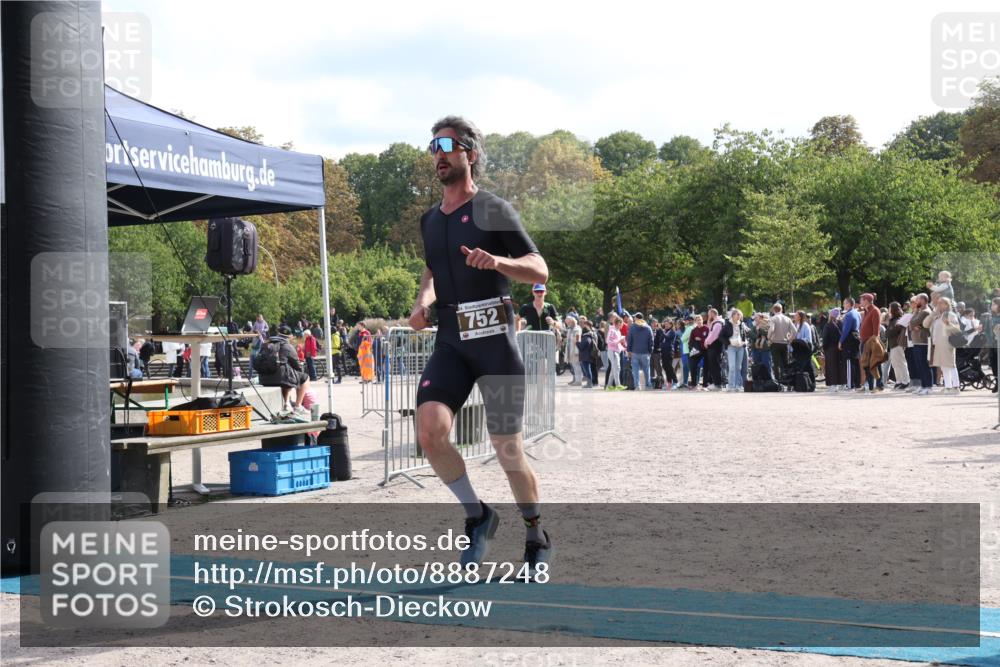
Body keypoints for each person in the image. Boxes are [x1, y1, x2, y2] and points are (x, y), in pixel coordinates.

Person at [408, 116, 552, 574]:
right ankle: (477, 514)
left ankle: (534, 531)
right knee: (430, 431)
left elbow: (539, 268)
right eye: (433, 146)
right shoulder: (429, 220)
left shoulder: (494, 209)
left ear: (470, 153)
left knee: (507, 448)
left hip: (494, 341)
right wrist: (421, 303)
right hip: (451, 340)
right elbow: (431, 274)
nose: (439, 153)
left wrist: (499, 262)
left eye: (448, 145)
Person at [255, 324, 311, 414]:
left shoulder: (266, 344)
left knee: (285, 375)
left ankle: (287, 403)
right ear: (289, 336)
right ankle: (298, 406)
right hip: (280, 379)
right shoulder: (287, 346)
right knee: (304, 377)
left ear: (278, 333)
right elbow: (297, 366)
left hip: (263, 378)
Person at [926, 296, 961, 394]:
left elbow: (957, 329)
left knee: (950, 365)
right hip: (938, 344)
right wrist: (933, 314)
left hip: (947, 343)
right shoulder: (938, 316)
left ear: (947, 304)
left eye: (941, 303)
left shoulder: (951, 315)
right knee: (943, 366)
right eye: (938, 303)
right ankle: (948, 386)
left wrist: (948, 323)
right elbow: (925, 324)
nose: (938, 305)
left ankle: (955, 387)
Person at [908, 293, 934, 395]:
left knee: (924, 365)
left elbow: (913, 322)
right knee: (919, 365)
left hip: (923, 341)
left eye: (918, 300)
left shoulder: (925, 312)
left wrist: (913, 323)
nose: (916, 302)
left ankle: (928, 386)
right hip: (917, 341)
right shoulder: (919, 311)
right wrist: (913, 324)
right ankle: (923, 385)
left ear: (923, 300)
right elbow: (911, 324)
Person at [857, 293, 884, 393]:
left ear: (867, 300)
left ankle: (879, 385)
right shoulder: (866, 311)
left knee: (875, 364)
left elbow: (876, 331)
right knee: (865, 365)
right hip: (864, 341)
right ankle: (870, 386)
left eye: (861, 300)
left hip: (871, 342)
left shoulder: (875, 311)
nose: (860, 302)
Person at [768, 304, 795, 386]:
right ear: (782, 309)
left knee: (776, 364)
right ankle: (788, 382)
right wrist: (790, 340)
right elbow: (795, 331)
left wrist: (769, 337)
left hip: (775, 343)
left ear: (773, 310)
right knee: (785, 363)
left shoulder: (773, 319)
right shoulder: (787, 319)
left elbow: (771, 329)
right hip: (784, 343)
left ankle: (778, 382)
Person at [885, 302, 910, 390]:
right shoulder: (893, 320)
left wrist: (889, 330)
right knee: (895, 364)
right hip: (893, 344)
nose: (888, 309)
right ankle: (899, 381)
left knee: (901, 363)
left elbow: (890, 332)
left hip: (898, 344)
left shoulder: (898, 320)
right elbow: (887, 333)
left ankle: (906, 381)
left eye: (889, 307)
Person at [722, 309, 749, 391]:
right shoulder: (727, 325)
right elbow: (721, 336)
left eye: (740, 315)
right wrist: (728, 342)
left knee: (738, 367)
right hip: (731, 347)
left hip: (740, 347)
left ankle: (738, 385)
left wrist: (745, 342)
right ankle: (731, 386)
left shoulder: (742, 324)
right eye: (737, 314)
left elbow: (744, 335)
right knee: (732, 367)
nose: (739, 316)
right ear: (733, 315)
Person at [626, 312, 654, 390]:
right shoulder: (648, 327)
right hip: (645, 352)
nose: (634, 319)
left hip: (635, 352)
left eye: (634, 317)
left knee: (635, 370)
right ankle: (648, 385)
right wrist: (650, 351)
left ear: (636, 318)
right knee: (646, 370)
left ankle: (637, 386)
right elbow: (651, 340)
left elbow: (629, 340)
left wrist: (629, 350)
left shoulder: (632, 327)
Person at [838, 297, 862, 390]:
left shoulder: (848, 315)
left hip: (849, 338)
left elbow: (845, 330)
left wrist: (840, 341)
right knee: (855, 361)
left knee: (849, 361)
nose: (843, 305)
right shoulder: (857, 313)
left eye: (844, 303)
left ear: (848, 304)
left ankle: (849, 384)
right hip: (856, 336)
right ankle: (857, 383)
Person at [822, 308, 844, 390]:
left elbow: (825, 338)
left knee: (831, 367)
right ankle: (841, 383)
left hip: (830, 348)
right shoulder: (841, 323)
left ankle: (833, 384)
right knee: (839, 366)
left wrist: (824, 347)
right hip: (839, 347)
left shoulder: (828, 325)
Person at [703, 308, 724, 391]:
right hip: (714, 347)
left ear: (712, 314)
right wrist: (709, 320)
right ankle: (716, 383)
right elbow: (709, 328)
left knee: (715, 365)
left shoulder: (718, 323)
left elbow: (713, 335)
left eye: (709, 314)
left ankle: (718, 384)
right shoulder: (715, 322)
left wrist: (706, 342)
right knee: (713, 365)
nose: (708, 316)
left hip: (715, 347)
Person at [605, 314, 625, 390]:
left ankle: (609, 386)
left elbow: (617, 344)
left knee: (614, 368)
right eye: (619, 324)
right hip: (612, 351)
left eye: (621, 324)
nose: (621, 325)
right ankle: (617, 385)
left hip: (615, 351)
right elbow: (608, 341)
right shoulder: (612, 330)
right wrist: (619, 341)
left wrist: (624, 349)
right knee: (617, 368)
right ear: (616, 323)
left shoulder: (618, 331)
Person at [564, 316, 582, 386]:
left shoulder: (577, 328)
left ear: (572, 322)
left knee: (576, 365)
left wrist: (577, 351)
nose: (567, 324)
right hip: (570, 349)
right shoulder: (570, 329)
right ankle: (575, 379)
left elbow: (577, 340)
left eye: (568, 323)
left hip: (575, 349)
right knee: (573, 366)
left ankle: (578, 381)